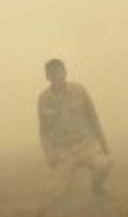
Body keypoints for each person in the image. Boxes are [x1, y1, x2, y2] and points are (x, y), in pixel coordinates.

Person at [37, 58, 111, 197]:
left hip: (86, 145)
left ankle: (97, 187)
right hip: (63, 151)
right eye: (53, 74)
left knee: (104, 164)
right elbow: (44, 131)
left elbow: (93, 119)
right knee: (56, 194)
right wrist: (49, 153)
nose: (57, 76)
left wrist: (104, 146)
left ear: (65, 72)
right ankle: (64, 184)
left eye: (60, 72)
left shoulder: (80, 91)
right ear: (47, 77)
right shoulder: (43, 99)